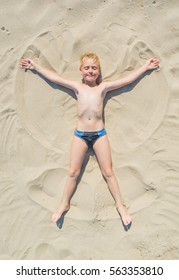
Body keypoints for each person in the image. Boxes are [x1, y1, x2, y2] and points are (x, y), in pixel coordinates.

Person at [20, 53, 159, 227]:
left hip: (99, 134)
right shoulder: (77, 87)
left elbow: (126, 81)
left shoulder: (103, 88)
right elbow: (56, 79)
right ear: (81, 70)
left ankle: (120, 205)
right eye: (87, 68)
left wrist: (145, 67)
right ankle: (64, 203)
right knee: (72, 172)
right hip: (80, 135)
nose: (90, 71)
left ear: (99, 71)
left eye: (94, 68)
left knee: (108, 172)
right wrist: (36, 67)